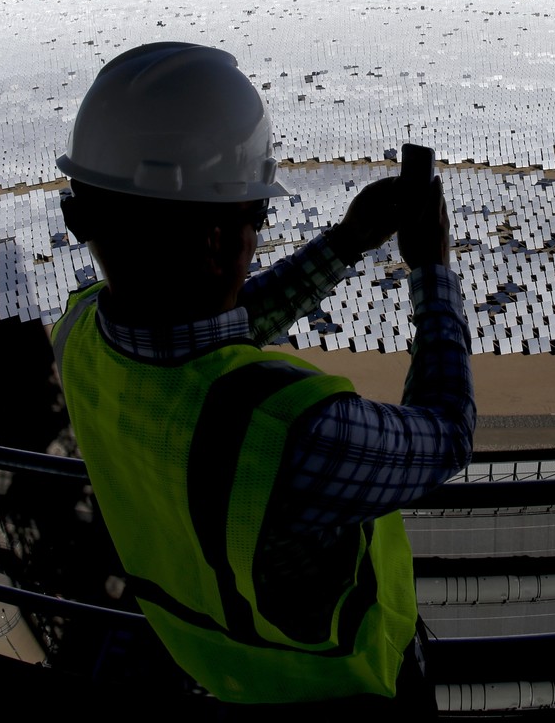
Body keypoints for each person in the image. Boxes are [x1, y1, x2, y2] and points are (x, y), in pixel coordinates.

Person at [51, 41, 473, 709]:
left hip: (198, 656)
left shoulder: (76, 335)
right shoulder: (288, 431)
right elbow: (448, 433)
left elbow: (202, 330)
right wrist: (432, 270)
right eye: (257, 215)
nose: (257, 234)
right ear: (222, 237)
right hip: (343, 694)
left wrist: (345, 243)